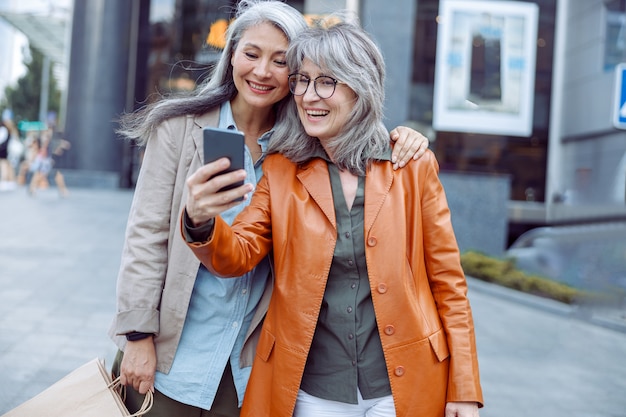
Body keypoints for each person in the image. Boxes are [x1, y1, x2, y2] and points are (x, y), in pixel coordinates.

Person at [108, 1, 430, 416]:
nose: (262, 72)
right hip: (171, 354)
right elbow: (145, 238)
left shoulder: (305, 149)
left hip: (248, 363)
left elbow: (357, 128)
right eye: (251, 54)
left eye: (280, 61)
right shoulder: (178, 130)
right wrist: (137, 337)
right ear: (232, 56)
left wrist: (402, 137)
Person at [182, 20, 483, 417]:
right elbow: (236, 255)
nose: (308, 96)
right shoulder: (281, 170)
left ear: (360, 87)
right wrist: (200, 220)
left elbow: (449, 284)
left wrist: (464, 387)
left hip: (403, 383)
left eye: (326, 82)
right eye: (302, 81)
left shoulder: (410, 165)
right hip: (315, 388)